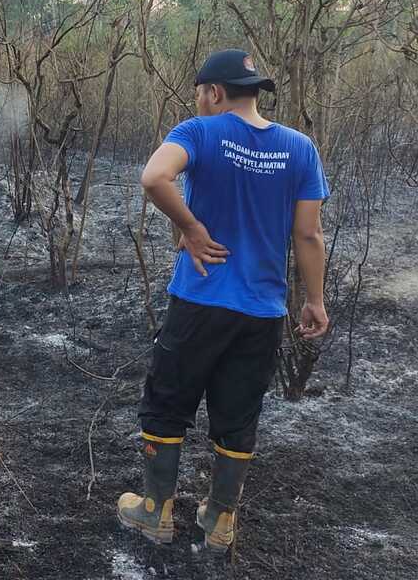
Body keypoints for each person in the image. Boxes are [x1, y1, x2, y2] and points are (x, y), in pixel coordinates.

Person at [116, 49, 331, 552]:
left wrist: (189, 228)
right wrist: (315, 300)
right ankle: (219, 523)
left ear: (213, 92)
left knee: (168, 403)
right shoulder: (300, 148)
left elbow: (153, 178)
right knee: (237, 414)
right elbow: (308, 234)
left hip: (201, 299)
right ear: (254, 90)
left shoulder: (199, 131)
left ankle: (155, 513)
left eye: (200, 92)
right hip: (262, 311)